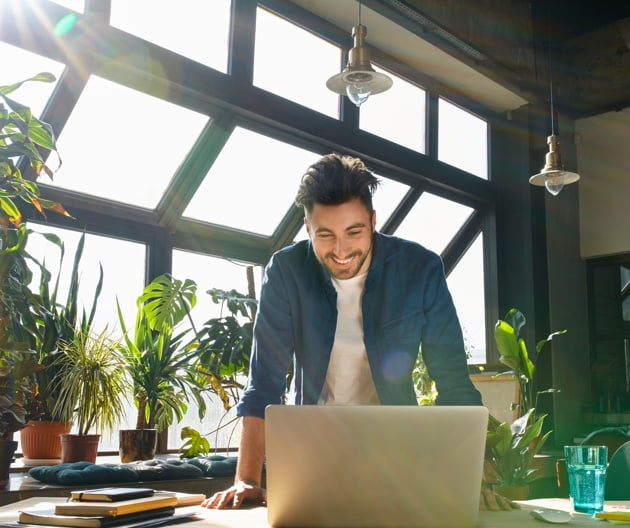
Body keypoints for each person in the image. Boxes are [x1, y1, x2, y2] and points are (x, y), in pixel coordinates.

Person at [202, 153, 514, 512]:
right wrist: (247, 480)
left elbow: (454, 383)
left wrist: (468, 479)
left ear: (373, 221)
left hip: (399, 458)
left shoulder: (420, 268)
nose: (341, 251)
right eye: (325, 235)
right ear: (307, 229)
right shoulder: (287, 271)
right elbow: (264, 384)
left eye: (354, 232)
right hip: (314, 462)